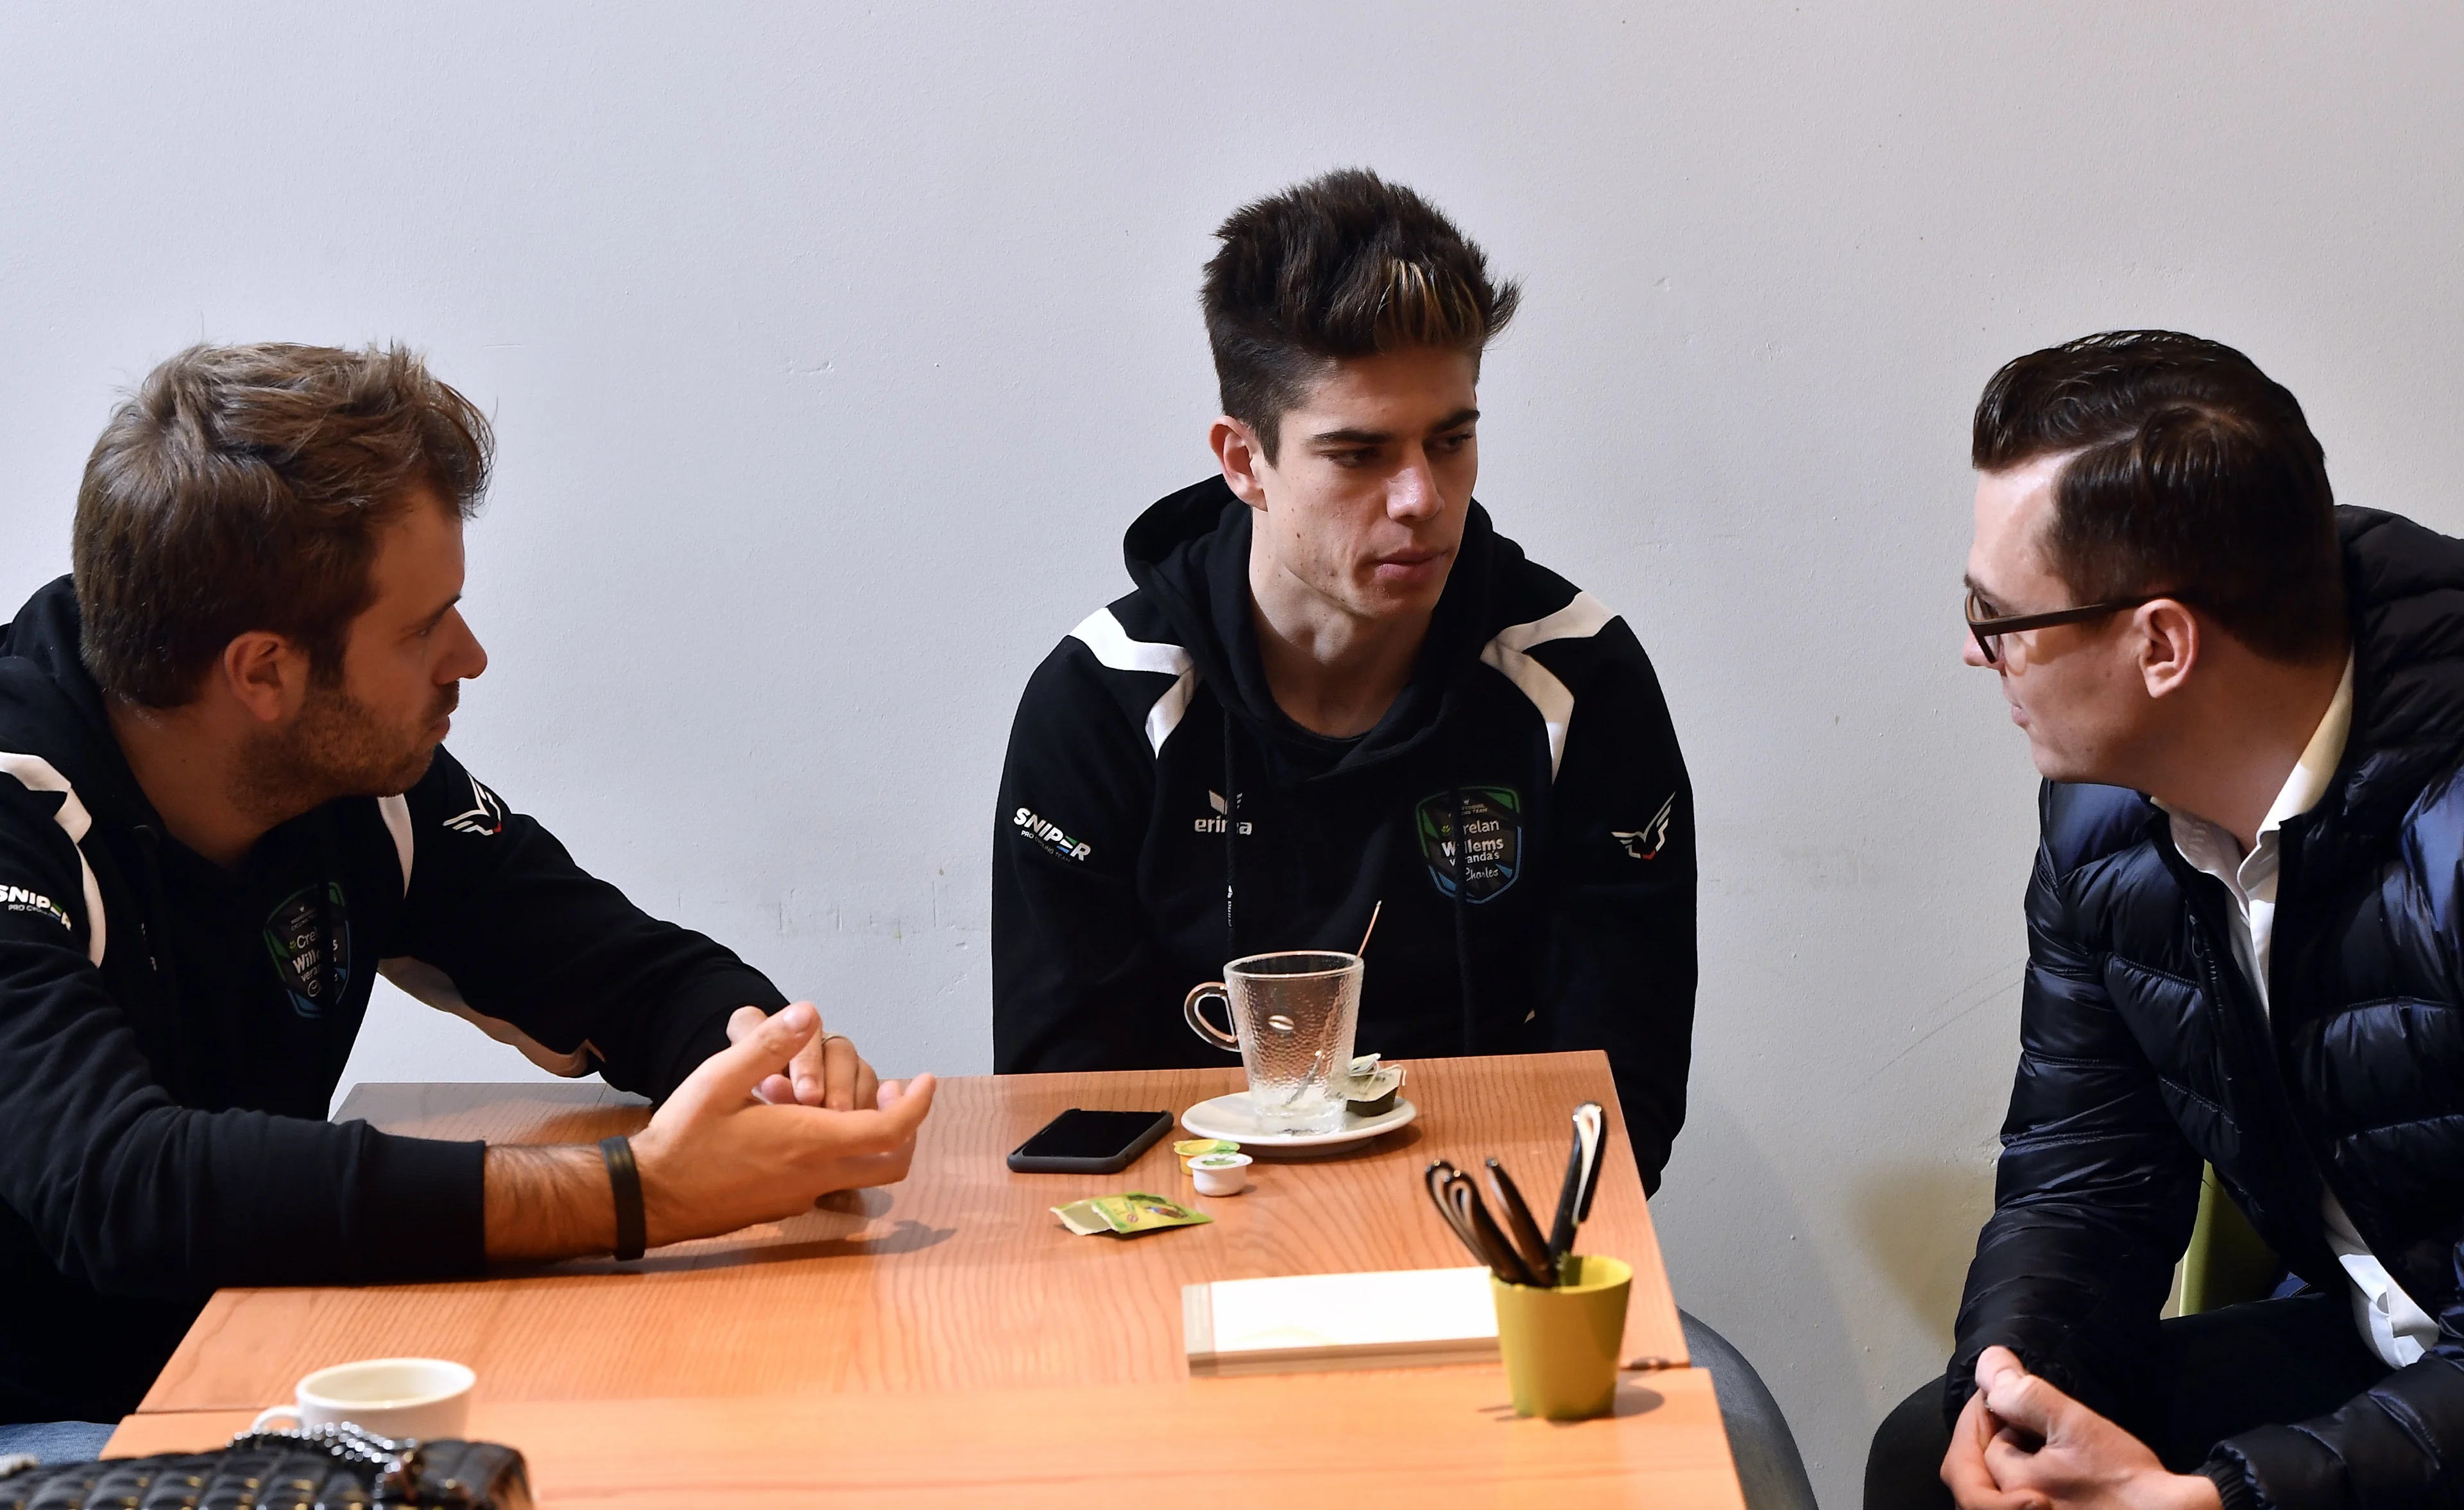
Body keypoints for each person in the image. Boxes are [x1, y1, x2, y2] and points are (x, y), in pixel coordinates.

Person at [990, 169, 1812, 1510]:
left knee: (1744, 1449)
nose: (1422, 498)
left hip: (1495, 1283)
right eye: (1361, 453)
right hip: (1187, 1305)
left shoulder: (1579, 676)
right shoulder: (1101, 698)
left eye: (1453, 439)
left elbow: (1621, 1105)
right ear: (1243, 459)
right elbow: (1068, 1114)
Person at [0, 344, 937, 1448]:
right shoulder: (24, 810)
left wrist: (761, 1061)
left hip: (242, 1374)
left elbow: (623, 971)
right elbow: (124, 1183)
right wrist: (641, 1193)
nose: (474, 655)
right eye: (423, 626)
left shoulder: (353, 778)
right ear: (263, 671)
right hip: (44, 1425)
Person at [1865, 330, 2464, 1510]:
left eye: (2000, 618)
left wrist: (2229, 1498)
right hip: (2380, 1345)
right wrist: (2010, 1392)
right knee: (1933, 1466)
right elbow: (2085, 1178)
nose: (1974, 651)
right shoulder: (2104, 816)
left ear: (2162, 643)